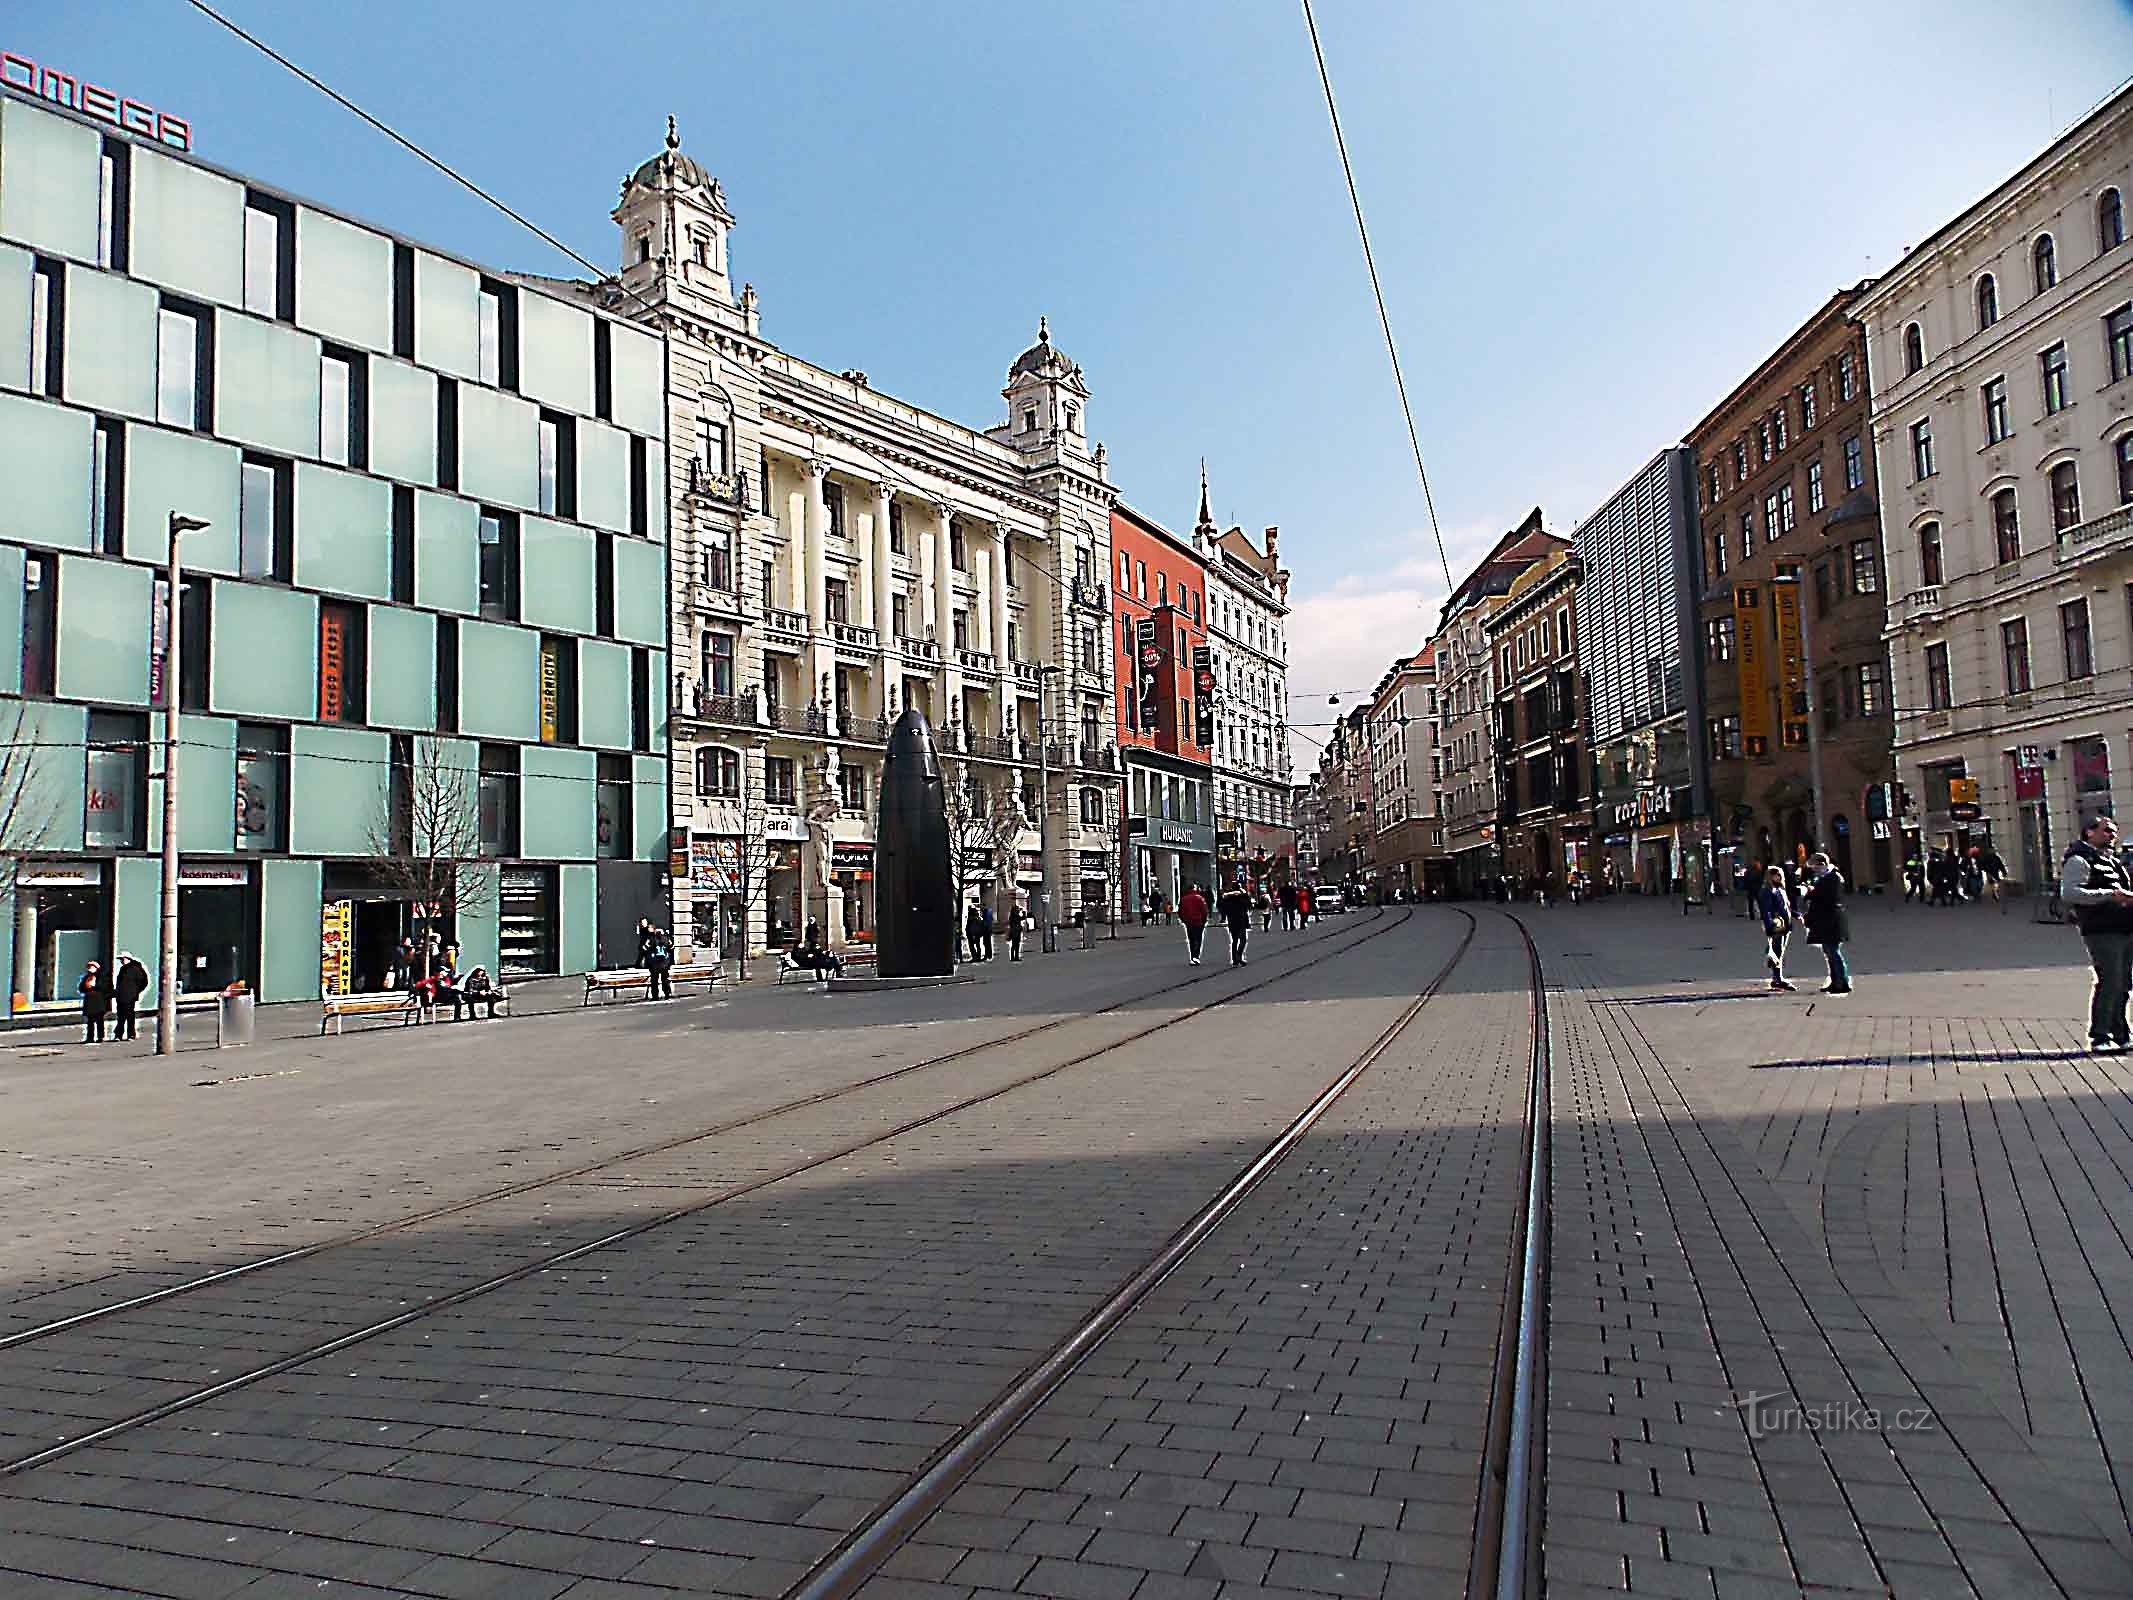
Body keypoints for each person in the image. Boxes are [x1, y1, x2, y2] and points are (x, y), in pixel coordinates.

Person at [2061, 813, 2133, 1051]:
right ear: (2089, 832)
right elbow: (2071, 893)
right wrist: (2110, 895)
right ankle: (2100, 1036)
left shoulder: (2109, 859)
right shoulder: (2079, 859)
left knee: (2123, 983)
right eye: (2106, 830)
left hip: (2123, 926)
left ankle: (2121, 1033)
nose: (2112, 835)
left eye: (2114, 831)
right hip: (2101, 929)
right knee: (2110, 980)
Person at [1802, 852, 1852, 995]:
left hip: (1832, 921)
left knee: (1833, 952)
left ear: (1822, 864)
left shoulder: (1834, 878)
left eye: (1815, 867)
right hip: (1826, 920)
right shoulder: (1824, 878)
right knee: (1829, 952)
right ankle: (1835, 981)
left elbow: (1828, 898)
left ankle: (1842, 982)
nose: (1814, 870)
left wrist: (1811, 892)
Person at [1757, 866, 1797, 992]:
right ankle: (1777, 978)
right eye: (1775, 875)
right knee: (1776, 951)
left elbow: (1785, 907)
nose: (1778, 877)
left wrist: (1796, 915)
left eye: (1779, 875)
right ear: (1769, 876)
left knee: (1779, 951)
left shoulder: (1779, 889)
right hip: (1777, 925)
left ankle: (1777, 978)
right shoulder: (1767, 890)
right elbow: (1765, 911)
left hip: (1785, 924)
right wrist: (1769, 926)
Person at [111, 951, 149, 1042]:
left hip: (130, 997)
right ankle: (119, 1034)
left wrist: (135, 992)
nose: (121, 961)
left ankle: (131, 1034)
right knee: (121, 1016)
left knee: (129, 1016)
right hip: (121, 996)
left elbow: (144, 982)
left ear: (127, 959)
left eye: (122, 959)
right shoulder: (123, 969)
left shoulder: (135, 969)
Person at [1217, 876, 1254, 966]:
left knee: (1234, 940)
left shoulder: (1227, 897)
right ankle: (1238, 956)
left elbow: (1221, 906)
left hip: (1232, 921)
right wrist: (1244, 894)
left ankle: (1234, 959)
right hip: (1241, 921)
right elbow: (1249, 905)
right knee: (1243, 940)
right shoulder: (1242, 896)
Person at [638, 919, 673, 1000]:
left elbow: (644, 948)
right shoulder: (666, 938)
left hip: (654, 963)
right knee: (665, 978)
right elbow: (672, 947)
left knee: (654, 980)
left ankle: (655, 995)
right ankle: (667, 993)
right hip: (665, 962)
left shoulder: (651, 938)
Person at [78, 960, 112, 1044]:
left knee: (99, 1020)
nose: (89, 968)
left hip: (99, 1001)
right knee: (90, 1021)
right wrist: (86, 987)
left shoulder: (102, 977)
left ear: (96, 968)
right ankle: (90, 1038)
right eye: (89, 967)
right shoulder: (86, 977)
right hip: (89, 1001)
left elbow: (105, 988)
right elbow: (81, 988)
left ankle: (100, 1037)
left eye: (92, 967)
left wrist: (94, 986)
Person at [1178, 883, 1210, 965]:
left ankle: (1192, 956)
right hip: (1199, 922)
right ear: (1194, 889)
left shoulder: (1183, 899)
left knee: (1191, 940)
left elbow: (1180, 911)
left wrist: (1184, 920)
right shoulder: (1200, 898)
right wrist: (1204, 920)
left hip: (1189, 922)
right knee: (1198, 939)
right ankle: (1196, 956)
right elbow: (1204, 911)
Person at [1979, 844, 2007, 909]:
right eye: (1991, 850)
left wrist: (2004, 872)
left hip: (1995, 873)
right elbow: (1983, 865)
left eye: (1992, 850)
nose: (1992, 851)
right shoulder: (1987, 858)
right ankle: (1994, 895)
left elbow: (2001, 865)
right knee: (1992, 884)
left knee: (1996, 884)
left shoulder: (1996, 858)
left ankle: (1995, 894)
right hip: (1990, 873)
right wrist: (1985, 870)